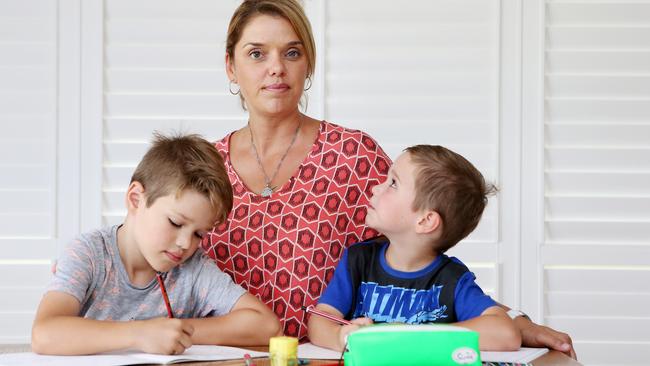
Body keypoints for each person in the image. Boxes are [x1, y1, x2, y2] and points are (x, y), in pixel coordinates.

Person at [203, 0, 576, 358]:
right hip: (222, 357)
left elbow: (419, 259)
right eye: (256, 53)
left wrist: (514, 322)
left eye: (292, 53)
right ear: (230, 67)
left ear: (309, 65)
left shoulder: (352, 155)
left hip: (331, 356)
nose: (276, 68)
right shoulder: (203, 169)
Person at [32, 133, 281, 356]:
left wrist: (177, 332)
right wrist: (139, 334)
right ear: (136, 199)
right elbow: (45, 334)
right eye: (175, 222)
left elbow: (265, 325)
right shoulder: (89, 254)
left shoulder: (192, 269)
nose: (185, 244)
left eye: (199, 234)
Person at [308, 145, 520, 351]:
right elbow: (320, 319)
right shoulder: (358, 260)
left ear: (425, 221)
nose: (375, 187)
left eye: (393, 183)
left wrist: (412, 335)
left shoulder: (451, 279)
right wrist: (342, 337)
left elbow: (506, 334)